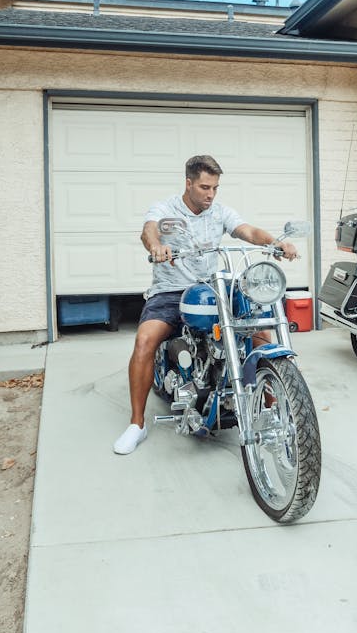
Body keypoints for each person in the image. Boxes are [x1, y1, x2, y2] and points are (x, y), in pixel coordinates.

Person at [113, 154, 298, 455]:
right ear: (188, 183)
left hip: (213, 288)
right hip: (171, 290)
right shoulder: (166, 209)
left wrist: (274, 243)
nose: (210, 194)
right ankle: (136, 424)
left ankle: (273, 415)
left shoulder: (219, 212)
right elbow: (149, 230)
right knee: (145, 340)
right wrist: (157, 246)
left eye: (214, 188)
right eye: (204, 187)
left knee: (260, 332)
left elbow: (247, 231)